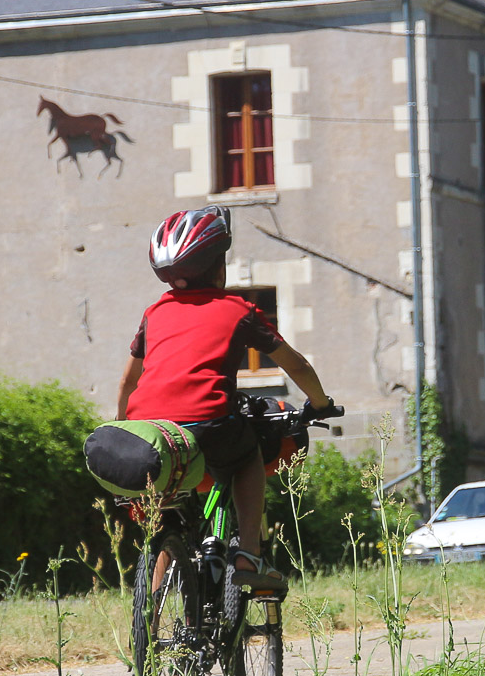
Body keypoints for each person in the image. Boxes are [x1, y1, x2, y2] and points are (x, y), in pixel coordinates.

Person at [115, 206, 333, 590]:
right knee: (247, 456)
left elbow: (127, 384)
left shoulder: (155, 313)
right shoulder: (237, 310)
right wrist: (320, 403)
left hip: (151, 432)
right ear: (219, 267)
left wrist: (124, 428)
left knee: (167, 514)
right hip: (210, 422)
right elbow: (294, 365)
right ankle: (248, 553)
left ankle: (152, 609)